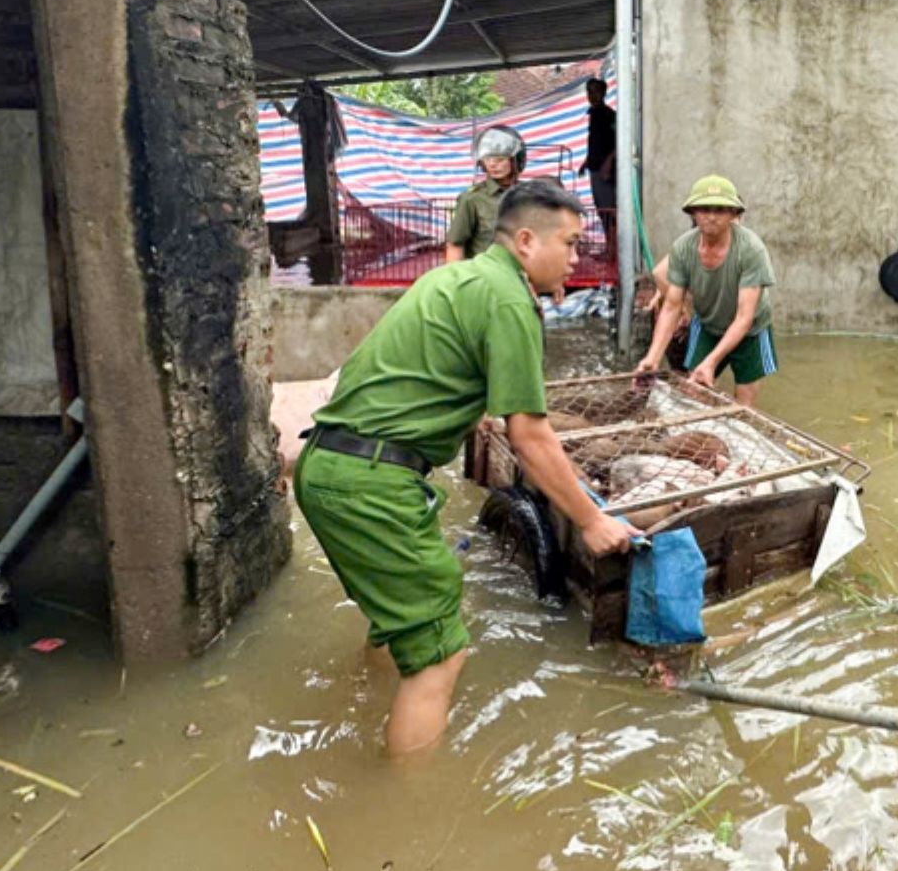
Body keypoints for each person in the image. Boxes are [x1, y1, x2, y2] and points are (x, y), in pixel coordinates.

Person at [297, 181, 638, 757]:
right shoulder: (507, 299)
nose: (578, 258)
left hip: (328, 467)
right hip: (373, 484)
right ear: (526, 241)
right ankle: (407, 813)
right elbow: (529, 435)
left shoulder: (455, 278)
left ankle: (373, 701)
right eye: (573, 244)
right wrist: (590, 520)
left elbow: (436, 371)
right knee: (441, 654)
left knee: (401, 621)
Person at [635, 175, 778, 406]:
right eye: (704, 209)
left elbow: (744, 317)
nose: (711, 217)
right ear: (693, 213)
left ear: (734, 214)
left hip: (751, 329)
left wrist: (711, 362)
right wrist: (652, 358)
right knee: (694, 390)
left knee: (745, 400)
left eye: (720, 210)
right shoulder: (684, 248)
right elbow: (671, 306)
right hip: (708, 322)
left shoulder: (751, 249)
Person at [445, 125, 526, 262]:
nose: (492, 165)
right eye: (487, 159)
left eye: (500, 159)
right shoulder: (472, 199)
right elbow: (455, 245)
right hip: (486, 277)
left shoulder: (530, 195)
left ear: (515, 160)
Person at [580, 77, 617, 216]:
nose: (592, 96)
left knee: (609, 211)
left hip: (606, 171)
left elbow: (619, 143)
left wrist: (608, 163)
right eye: (589, 92)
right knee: (601, 209)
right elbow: (596, 143)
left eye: (596, 92)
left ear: (603, 93)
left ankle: (614, 237)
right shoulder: (593, 114)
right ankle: (610, 237)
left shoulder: (609, 115)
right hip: (595, 168)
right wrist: (586, 162)